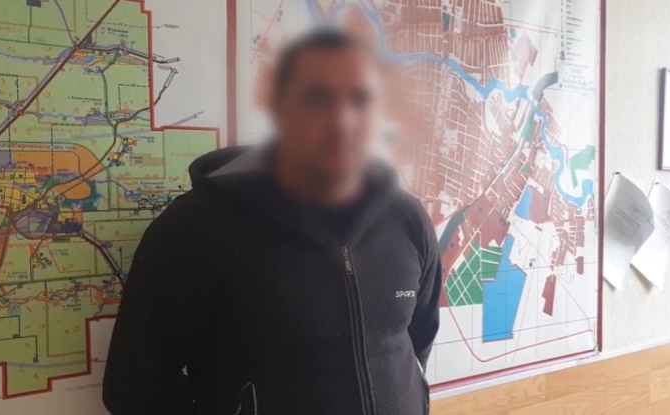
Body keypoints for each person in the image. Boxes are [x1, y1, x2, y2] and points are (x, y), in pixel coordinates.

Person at [102, 29, 442, 415]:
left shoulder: (407, 218)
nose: (343, 120)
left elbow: (417, 343)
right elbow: (133, 387)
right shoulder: (197, 226)